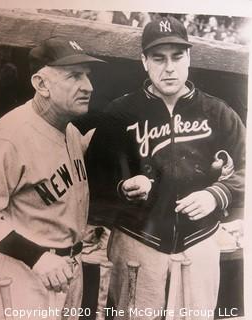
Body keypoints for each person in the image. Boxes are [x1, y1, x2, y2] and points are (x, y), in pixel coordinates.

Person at [86, 16, 246, 320]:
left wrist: (217, 194)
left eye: (177, 56)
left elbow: (246, 169)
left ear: (189, 57)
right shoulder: (120, 113)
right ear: (144, 61)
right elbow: (93, 178)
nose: (169, 67)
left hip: (199, 241)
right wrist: (122, 187)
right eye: (158, 58)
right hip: (137, 241)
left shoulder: (218, 113)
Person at [0, 37, 105, 320]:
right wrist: (36, 256)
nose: (88, 87)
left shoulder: (71, 132)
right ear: (41, 84)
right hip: (24, 276)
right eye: (75, 76)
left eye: (87, 77)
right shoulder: (8, 136)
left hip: (69, 271)